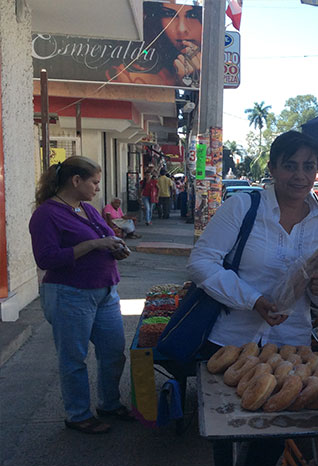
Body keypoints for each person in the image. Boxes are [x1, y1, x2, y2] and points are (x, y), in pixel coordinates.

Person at [187, 131, 318, 466]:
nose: (300, 175)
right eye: (290, 165)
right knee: (226, 438)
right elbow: (201, 262)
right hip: (231, 341)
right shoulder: (243, 208)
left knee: (270, 443)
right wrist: (253, 300)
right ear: (272, 168)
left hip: (290, 348)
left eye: (308, 166)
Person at [29, 156, 133, 435]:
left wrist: (115, 248)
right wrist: (94, 244)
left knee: (113, 352)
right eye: (94, 182)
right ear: (76, 181)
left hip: (105, 291)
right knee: (73, 358)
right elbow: (46, 258)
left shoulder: (87, 209)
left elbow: (105, 238)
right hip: (70, 294)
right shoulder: (46, 214)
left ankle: (109, 403)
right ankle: (78, 414)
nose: (98, 188)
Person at [106, 2, 202, 88]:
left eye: (193, 15)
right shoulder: (136, 73)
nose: (181, 29)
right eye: (169, 14)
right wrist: (182, 84)